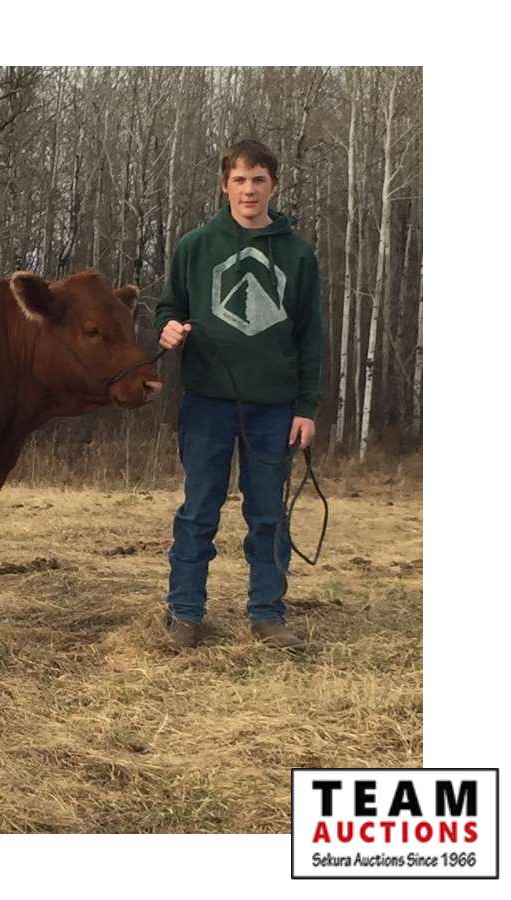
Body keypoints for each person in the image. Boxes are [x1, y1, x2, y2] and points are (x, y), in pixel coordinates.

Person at [154, 139, 322, 651]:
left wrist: (306, 408)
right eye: (240, 180)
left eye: (259, 180)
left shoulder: (297, 253)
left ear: (274, 185)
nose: (249, 190)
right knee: (198, 510)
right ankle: (185, 613)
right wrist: (169, 329)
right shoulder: (195, 246)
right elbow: (169, 308)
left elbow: (310, 336)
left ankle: (268, 614)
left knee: (268, 514)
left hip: (273, 408)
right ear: (224, 185)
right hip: (206, 402)